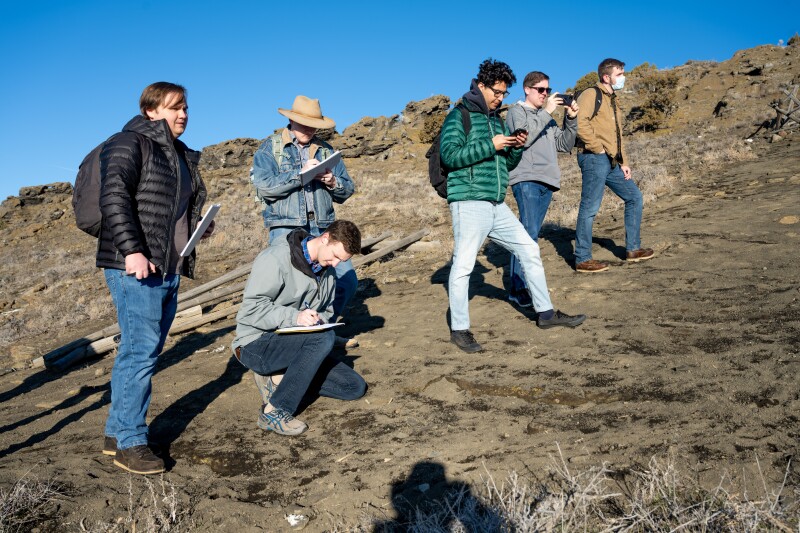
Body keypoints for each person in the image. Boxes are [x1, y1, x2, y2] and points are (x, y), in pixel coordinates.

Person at [98, 82, 213, 474]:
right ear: (151, 110)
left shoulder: (179, 154)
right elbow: (114, 197)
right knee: (141, 352)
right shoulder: (128, 142)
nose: (183, 114)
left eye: (186, 107)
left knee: (140, 350)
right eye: (174, 107)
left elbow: (170, 212)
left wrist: (199, 227)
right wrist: (132, 250)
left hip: (167, 267)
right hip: (134, 267)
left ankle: (117, 434)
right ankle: (131, 441)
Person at [440, 59, 586, 354]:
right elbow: (450, 156)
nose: (500, 98)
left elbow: (504, 164)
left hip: (496, 202)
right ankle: (460, 329)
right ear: (480, 86)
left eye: (504, 93)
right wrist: (491, 146)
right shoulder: (460, 116)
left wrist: (514, 148)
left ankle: (545, 313)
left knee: (529, 249)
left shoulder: (495, 119)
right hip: (468, 201)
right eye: (497, 92)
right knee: (464, 265)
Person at [232, 220, 367, 436]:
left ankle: (281, 377)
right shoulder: (275, 259)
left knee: (353, 387)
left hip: (297, 344)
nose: (335, 264)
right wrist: (295, 317)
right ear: (325, 238)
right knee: (323, 340)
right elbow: (250, 311)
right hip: (255, 345)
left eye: (341, 261)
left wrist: (320, 320)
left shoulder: (327, 272)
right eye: (335, 256)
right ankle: (275, 411)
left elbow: (326, 310)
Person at [250, 95, 358, 348]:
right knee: (287, 289)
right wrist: (298, 175)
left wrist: (334, 183)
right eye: (303, 123)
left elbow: (347, 190)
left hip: (323, 227)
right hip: (285, 228)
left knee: (345, 281)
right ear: (291, 120)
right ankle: (288, 340)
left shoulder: (326, 150)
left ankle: (322, 330)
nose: (309, 128)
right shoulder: (270, 149)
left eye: (313, 124)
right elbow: (264, 187)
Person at [505, 71, 579, 307]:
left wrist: (571, 119)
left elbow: (564, 144)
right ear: (527, 89)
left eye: (547, 90)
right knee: (527, 234)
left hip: (547, 180)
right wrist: (547, 111)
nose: (545, 94)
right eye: (541, 90)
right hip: (526, 178)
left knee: (529, 233)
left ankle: (522, 285)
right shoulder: (516, 111)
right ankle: (518, 288)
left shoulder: (547, 117)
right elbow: (523, 139)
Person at [574, 58, 655, 273]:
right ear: (606, 77)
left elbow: (618, 135)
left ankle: (633, 249)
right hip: (593, 157)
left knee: (634, 197)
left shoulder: (614, 99)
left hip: (612, 161)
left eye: (623, 73)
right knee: (590, 207)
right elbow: (579, 123)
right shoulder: (591, 94)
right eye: (619, 74)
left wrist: (623, 162)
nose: (623, 78)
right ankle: (582, 258)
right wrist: (597, 148)